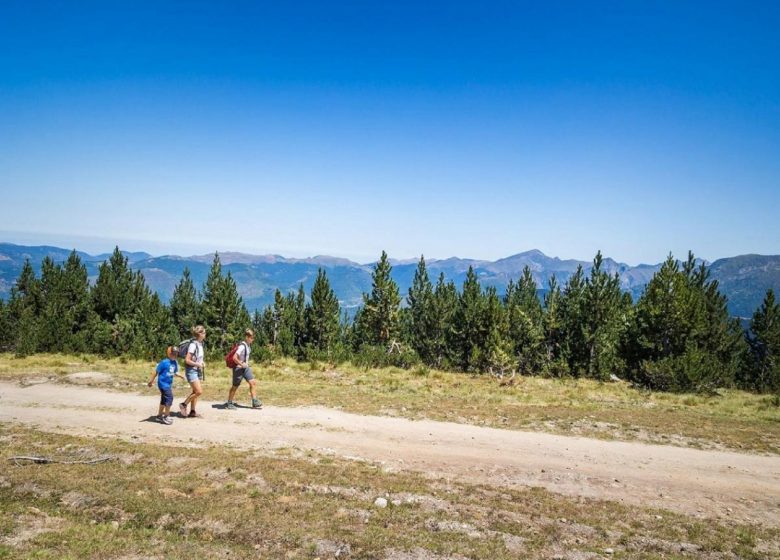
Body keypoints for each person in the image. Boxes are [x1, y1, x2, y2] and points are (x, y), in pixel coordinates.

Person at [148, 346, 185, 425]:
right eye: (173, 354)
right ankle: (166, 416)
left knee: (164, 400)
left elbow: (175, 372)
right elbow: (156, 372)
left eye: (176, 354)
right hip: (162, 384)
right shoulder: (164, 362)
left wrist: (181, 376)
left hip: (168, 384)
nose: (175, 355)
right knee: (169, 398)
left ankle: (159, 415)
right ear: (169, 353)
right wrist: (151, 381)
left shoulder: (175, 362)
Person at [226, 329, 262, 409]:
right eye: (251, 338)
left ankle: (254, 401)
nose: (253, 339)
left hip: (246, 368)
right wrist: (242, 364)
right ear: (247, 337)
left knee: (252, 383)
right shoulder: (242, 346)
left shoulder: (248, 345)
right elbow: (235, 358)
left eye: (253, 337)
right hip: (238, 369)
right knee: (235, 386)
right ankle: (229, 403)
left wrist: (246, 364)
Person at [179, 325, 206, 418]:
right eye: (204, 333)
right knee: (199, 391)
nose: (205, 334)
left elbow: (198, 358)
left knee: (195, 391)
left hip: (196, 370)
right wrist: (198, 364)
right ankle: (183, 405)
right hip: (191, 370)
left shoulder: (200, 344)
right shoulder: (193, 345)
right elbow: (187, 360)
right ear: (199, 334)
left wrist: (202, 363)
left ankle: (193, 411)